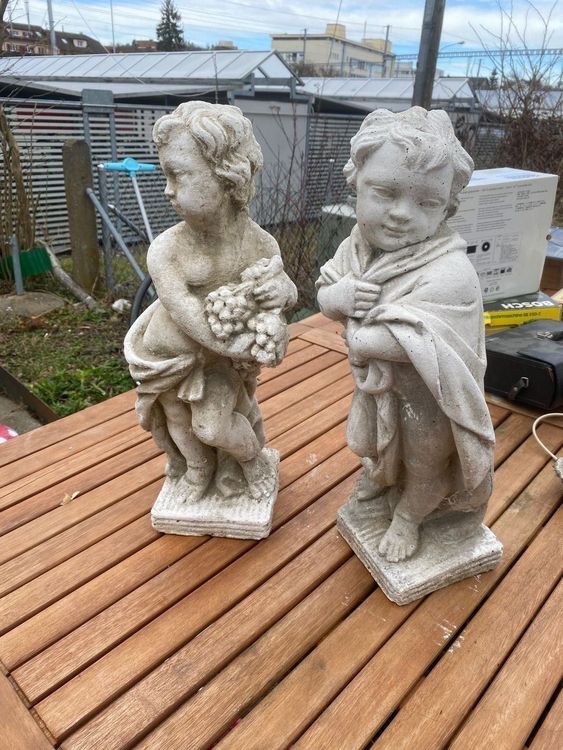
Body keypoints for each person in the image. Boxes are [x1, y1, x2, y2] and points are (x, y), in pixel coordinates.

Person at [317, 106, 495, 562]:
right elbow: (326, 292)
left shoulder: (451, 272)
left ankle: (410, 518)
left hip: (432, 400)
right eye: (385, 192)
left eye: (427, 203)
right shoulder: (356, 248)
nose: (401, 214)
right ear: (357, 181)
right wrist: (337, 296)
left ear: (447, 208)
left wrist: (363, 339)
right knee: (379, 449)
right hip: (382, 391)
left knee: (425, 463)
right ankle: (381, 486)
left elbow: (426, 339)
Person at [125, 102, 297, 503]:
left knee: (211, 426)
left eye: (178, 175)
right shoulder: (167, 250)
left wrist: (284, 295)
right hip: (164, 359)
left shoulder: (261, 244)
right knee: (176, 422)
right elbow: (184, 310)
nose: (167, 189)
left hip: (218, 361)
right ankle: (198, 469)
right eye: (165, 175)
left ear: (228, 176)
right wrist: (242, 345)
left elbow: (280, 292)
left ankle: (251, 460)